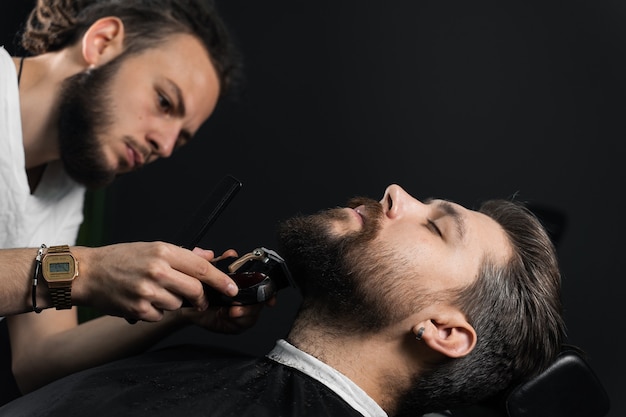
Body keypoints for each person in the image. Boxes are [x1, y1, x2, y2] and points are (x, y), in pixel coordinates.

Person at [0, 184, 567, 417]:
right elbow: (37, 378)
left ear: (445, 331)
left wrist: (83, 268)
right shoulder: (223, 376)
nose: (398, 193)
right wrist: (159, 307)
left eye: (437, 228)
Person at [0, 0, 269, 402]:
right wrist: (87, 271)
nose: (163, 145)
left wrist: (180, 305)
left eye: (180, 137)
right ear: (103, 42)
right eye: (164, 102)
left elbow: (37, 363)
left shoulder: (61, 189)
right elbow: (74, 276)